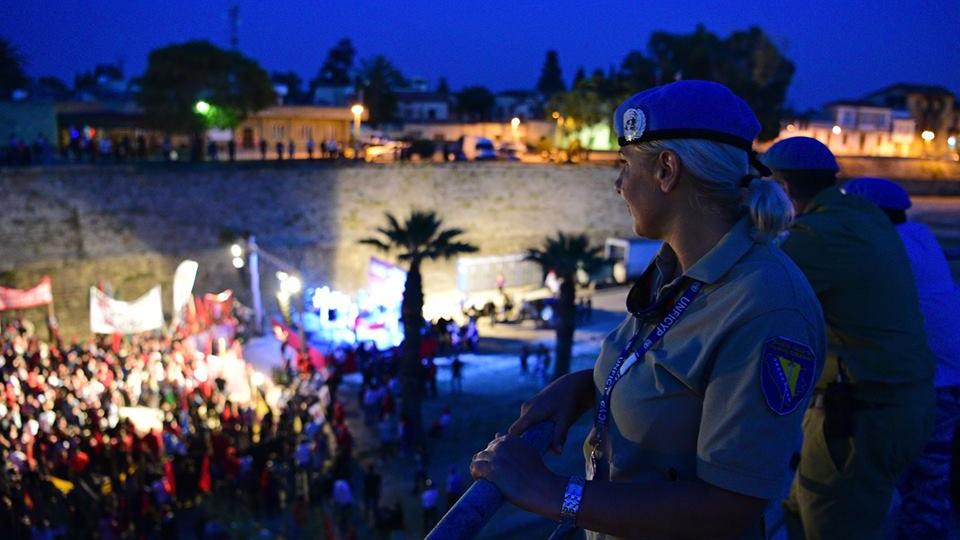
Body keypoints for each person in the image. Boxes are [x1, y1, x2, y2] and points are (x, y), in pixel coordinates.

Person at [470, 80, 825, 539]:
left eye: (625, 164)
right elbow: (672, 379)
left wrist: (550, 492)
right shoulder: (677, 269)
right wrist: (585, 387)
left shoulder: (766, 306)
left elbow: (730, 507)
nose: (617, 185)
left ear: (666, 170)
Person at [762, 138, 936, 540]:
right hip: (900, 403)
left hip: (859, 415)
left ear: (783, 188)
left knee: (831, 523)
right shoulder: (864, 216)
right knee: (802, 510)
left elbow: (753, 293)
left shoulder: (819, 235)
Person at [841, 176, 960, 539]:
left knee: (922, 477)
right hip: (946, 372)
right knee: (928, 475)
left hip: (931, 380)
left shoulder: (885, 247)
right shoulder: (920, 237)